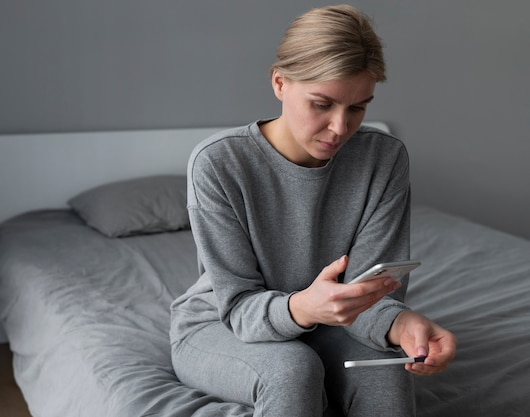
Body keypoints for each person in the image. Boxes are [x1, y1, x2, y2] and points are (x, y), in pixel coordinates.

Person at [170, 5, 456, 417]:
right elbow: (237, 307)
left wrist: (403, 325)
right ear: (280, 83)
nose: (340, 127)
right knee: (291, 370)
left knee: (386, 370)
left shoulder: (383, 158)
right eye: (322, 104)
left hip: (335, 323)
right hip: (221, 326)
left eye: (358, 108)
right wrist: (304, 306)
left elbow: (371, 294)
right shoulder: (218, 163)